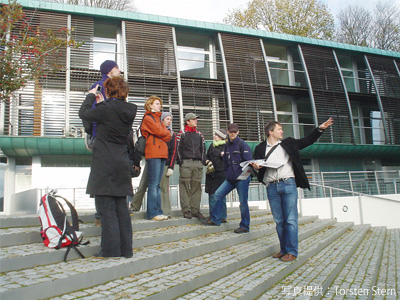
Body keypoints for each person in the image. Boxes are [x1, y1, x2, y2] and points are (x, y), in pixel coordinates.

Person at [251, 118, 334, 262]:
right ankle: (283, 250)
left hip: (288, 183)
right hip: (272, 186)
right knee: (279, 221)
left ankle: (291, 251)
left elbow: (306, 141)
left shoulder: (288, 143)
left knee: (290, 220)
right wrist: (255, 167)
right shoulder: (259, 148)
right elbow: (257, 165)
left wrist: (320, 129)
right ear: (270, 132)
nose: (282, 131)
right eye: (279, 129)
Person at [79, 76, 137, 258]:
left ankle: (110, 251)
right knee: (121, 208)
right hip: (121, 161)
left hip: (104, 161)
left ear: (108, 90)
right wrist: (104, 102)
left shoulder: (105, 109)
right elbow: (112, 113)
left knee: (106, 209)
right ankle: (126, 250)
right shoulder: (129, 110)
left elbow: (84, 113)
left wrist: (90, 96)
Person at [82, 60, 121, 225]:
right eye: (117, 68)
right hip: (104, 136)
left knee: (106, 173)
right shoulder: (101, 86)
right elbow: (89, 113)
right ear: (110, 70)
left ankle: (107, 214)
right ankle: (101, 215)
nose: (120, 70)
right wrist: (93, 132)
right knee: (103, 174)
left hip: (107, 136)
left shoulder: (114, 86)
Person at [204, 123, 253, 234]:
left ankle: (245, 226)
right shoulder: (226, 146)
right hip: (230, 179)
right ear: (228, 132)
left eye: (235, 132)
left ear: (238, 132)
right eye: (231, 132)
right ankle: (216, 219)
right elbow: (225, 162)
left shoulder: (243, 145)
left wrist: (243, 176)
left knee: (243, 203)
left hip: (241, 179)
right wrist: (228, 174)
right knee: (217, 195)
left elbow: (249, 163)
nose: (233, 134)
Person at [140, 96, 172, 221]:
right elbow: (160, 132)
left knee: (157, 184)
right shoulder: (148, 118)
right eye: (157, 103)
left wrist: (163, 133)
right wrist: (163, 133)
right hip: (153, 152)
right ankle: (152, 213)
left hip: (161, 152)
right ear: (150, 105)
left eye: (160, 104)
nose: (160, 106)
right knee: (153, 184)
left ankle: (158, 211)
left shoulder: (158, 119)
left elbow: (168, 135)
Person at [176, 113, 206, 220]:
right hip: (186, 162)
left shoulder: (200, 135)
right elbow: (177, 148)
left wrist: (202, 161)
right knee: (184, 186)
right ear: (187, 121)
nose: (196, 121)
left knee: (197, 187)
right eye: (193, 119)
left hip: (198, 163)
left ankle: (195, 210)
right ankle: (186, 210)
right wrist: (181, 162)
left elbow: (203, 148)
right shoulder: (181, 134)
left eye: (196, 119)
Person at [205, 129, 227, 222]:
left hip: (221, 173)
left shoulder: (226, 147)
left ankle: (221, 216)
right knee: (212, 195)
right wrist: (206, 161)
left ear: (221, 137)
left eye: (216, 135)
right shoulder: (211, 145)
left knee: (220, 195)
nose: (214, 136)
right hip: (211, 173)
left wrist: (223, 155)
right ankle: (213, 216)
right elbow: (207, 156)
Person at [160, 112, 177, 217]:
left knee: (164, 188)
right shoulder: (157, 131)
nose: (169, 121)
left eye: (170, 119)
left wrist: (171, 167)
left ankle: (166, 211)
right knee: (144, 184)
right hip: (153, 162)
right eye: (167, 119)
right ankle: (135, 206)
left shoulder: (172, 134)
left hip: (165, 164)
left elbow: (174, 151)